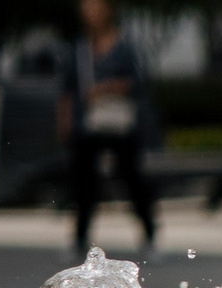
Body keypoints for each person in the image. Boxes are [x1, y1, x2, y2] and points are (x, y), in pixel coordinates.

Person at [59, 0, 157, 260]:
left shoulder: (125, 47)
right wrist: (66, 121)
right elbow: (67, 88)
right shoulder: (79, 49)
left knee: (132, 179)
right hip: (88, 125)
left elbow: (138, 82)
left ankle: (149, 235)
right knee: (84, 183)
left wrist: (106, 88)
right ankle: (79, 239)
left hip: (121, 124)